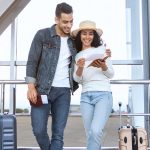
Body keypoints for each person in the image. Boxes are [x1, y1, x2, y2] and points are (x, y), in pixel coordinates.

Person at [25, 2, 78, 150]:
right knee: (38, 130)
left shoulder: (74, 40)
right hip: (42, 89)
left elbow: (90, 44)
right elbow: (32, 62)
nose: (69, 25)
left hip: (64, 92)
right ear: (56, 19)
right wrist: (31, 87)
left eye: (71, 21)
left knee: (58, 135)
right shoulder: (42, 35)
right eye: (65, 21)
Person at [72, 20, 114, 150]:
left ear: (94, 36)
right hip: (85, 97)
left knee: (95, 131)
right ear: (80, 36)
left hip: (103, 95)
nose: (87, 37)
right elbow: (78, 79)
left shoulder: (102, 51)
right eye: (84, 33)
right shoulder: (77, 55)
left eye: (90, 34)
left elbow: (111, 74)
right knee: (91, 135)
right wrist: (80, 67)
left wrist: (104, 66)